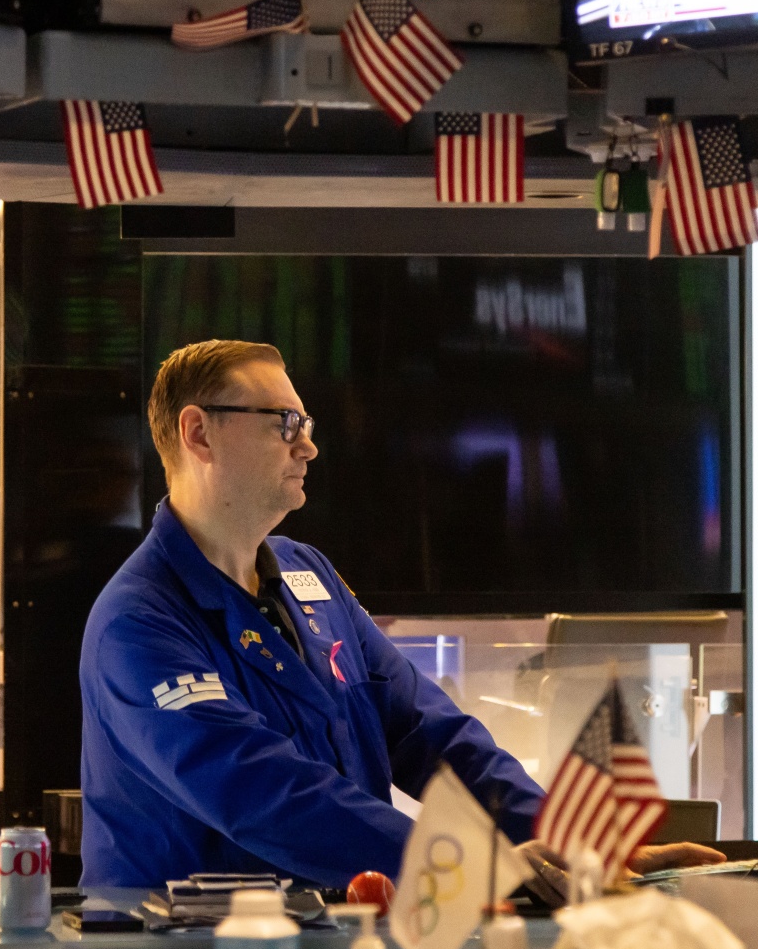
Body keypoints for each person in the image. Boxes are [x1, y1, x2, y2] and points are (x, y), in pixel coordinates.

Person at [77, 339, 724, 891]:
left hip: (321, 945)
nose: (309, 448)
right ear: (199, 432)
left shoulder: (308, 576)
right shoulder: (139, 622)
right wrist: (470, 867)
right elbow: (263, 793)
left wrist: (577, 845)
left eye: (306, 426)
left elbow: (431, 735)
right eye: (285, 424)